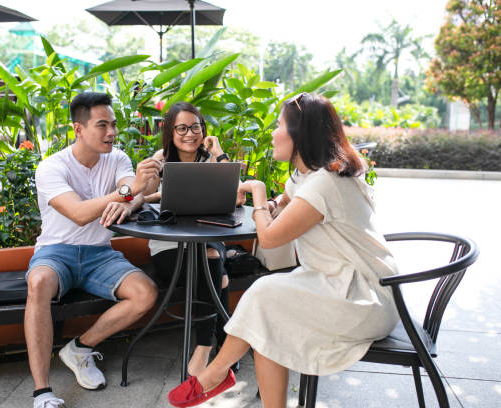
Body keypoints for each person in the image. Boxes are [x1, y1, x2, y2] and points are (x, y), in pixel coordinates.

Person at [167, 93, 400, 408]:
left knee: (265, 294)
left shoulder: (325, 184)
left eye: (280, 125)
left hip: (363, 300)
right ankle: (228, 381)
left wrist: (259, 192)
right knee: (267, 315)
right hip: (341, 285)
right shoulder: (310, 176)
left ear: (300, 134)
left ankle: (214, 374)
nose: (275, 133)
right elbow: (289, 197)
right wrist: (276, 204)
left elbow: (270, 238)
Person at [25, 91, 162, 408]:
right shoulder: (51, 167)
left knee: (146, 294)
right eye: (102, 125)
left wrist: (130, 202)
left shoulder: (118, 158)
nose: (112, 132)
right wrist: (128, 193)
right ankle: (42, 391)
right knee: (38, 283)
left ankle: (80, 348)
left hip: (100, 254)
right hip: (56, 252)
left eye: (113, 124)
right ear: (78, 129)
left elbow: (135, 192)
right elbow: (79, 212)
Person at [144, 102, 237, 377]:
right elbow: (140, 195)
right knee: (218, 276)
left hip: (209, 236)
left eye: (195, 126)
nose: (190, 133)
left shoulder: (210, 160)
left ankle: (204, 347)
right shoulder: (161, 159)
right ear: (171, 132)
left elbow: (236, 193)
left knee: (211, 258)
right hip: (169, 246)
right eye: (182, 128)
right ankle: (218, 342)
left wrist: (219, 153)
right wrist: (161, 192)